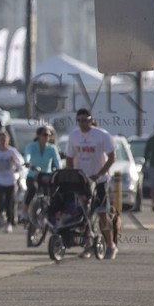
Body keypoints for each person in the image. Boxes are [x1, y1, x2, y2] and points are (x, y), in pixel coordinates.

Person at [64, 108, 116, 257]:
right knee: (83, 213)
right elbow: (69, 158)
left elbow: (112, 157)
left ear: (91, 120)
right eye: (79, 120)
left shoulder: (101, 135)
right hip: (82, 181)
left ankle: (111, 244)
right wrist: (71, 175)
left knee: (101, 214)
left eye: (85, 120)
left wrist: (99, 174)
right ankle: (87, 244)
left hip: (99, 180)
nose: (82, 123)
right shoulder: (74, 136)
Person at [0, 130, 24, 231]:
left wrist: (14, 161)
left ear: (8, 140)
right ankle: (0, 217)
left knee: (10, 203)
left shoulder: (12, 151)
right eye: (1, 139)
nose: (3, 141)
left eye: (5, 139)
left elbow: (21, 164)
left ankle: (9, 223)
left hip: (10, 180)